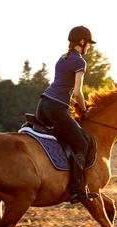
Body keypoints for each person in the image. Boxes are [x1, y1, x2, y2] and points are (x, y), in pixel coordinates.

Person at [35, 25, 98, 204]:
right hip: (56, 108)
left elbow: (62, 90)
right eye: (89, 44)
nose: (89, 47)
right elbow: (77, 92)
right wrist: (84, 109)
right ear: (83, 42)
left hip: (43, 105)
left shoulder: (62, 59)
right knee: (81, 143)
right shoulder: (79, 61)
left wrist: (73, 103)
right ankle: (77, 190)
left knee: (64, 138)